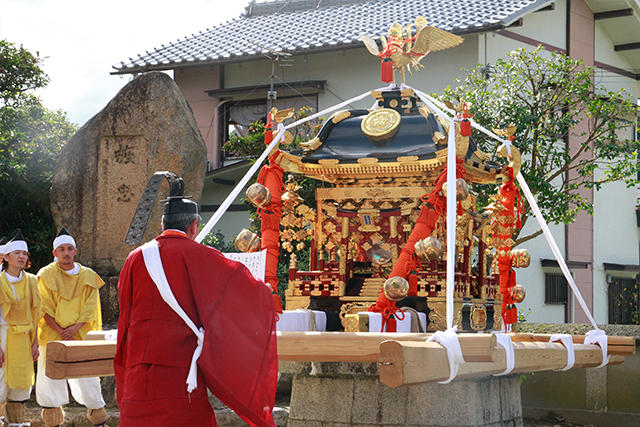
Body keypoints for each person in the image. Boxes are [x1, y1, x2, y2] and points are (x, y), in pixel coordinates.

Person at [114, 188, 278, 427]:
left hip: (138, 368)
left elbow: (125, 315)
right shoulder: (200, 255)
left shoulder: (134, 258)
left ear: (163, 225)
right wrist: (268, 297)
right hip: (179, 369)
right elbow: (239, 287)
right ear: (193, 227)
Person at [36, 227, 107, 427]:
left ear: (75, 251)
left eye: (69, 249)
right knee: (50, 377)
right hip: (52, 333)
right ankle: (53, 422)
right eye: (61, 249)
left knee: (88, 377)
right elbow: (44, 307)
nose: (66, 253)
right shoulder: (46, 274)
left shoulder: (88, 275)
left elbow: (90, 307)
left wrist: (74, 328)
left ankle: (98, 421)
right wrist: (60, 329)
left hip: (80, 333)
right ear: (55, 253)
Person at [0, 229, 40, 426]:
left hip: (24, 337)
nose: (22, 257)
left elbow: (36, 313)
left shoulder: (32, 281)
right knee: (0, 380)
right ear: (6, 257)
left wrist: (35, 343)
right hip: (2, 335)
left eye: (24, 254)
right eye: (17, 253)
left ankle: (15, 422)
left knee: (20, 384)